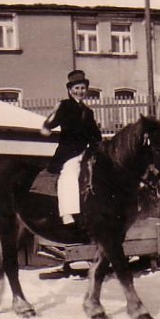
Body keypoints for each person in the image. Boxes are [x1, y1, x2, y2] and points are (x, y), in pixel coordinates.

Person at [40, 69, 102, 223]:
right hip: (69, 152)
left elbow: (95, 135)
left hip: (86, 151)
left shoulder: (88, 112)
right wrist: (47, 127)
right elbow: (51, 122)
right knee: (71, 172)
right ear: (70, 90)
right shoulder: (64, 105)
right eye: (77, 88)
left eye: (83, 88)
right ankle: (68, 213)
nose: (80, 91)